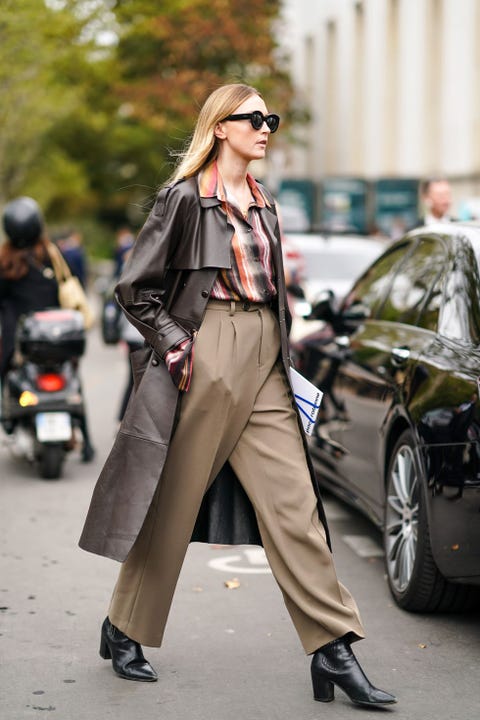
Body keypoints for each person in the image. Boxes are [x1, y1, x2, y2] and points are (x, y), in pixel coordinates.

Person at [79, 84, 396, 707]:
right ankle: (123, 628)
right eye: (253, 118)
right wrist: (176, 345)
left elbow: (275, 289)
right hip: (208, 349)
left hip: (267, 354)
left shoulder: (266, 203)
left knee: (296, 507)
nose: (265, 127)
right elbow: (133, 288)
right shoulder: (184, 200)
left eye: (269, 119)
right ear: (219, 127)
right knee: (172, 503)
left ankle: (333, 648)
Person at [0, 196, 95, 461]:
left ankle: (7, 417)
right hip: (58, 335)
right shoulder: (52, 254)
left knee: (6, 371)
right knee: (73, 381)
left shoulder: (5, 261)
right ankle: (86, 442)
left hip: (20, 340)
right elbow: (73, 280)